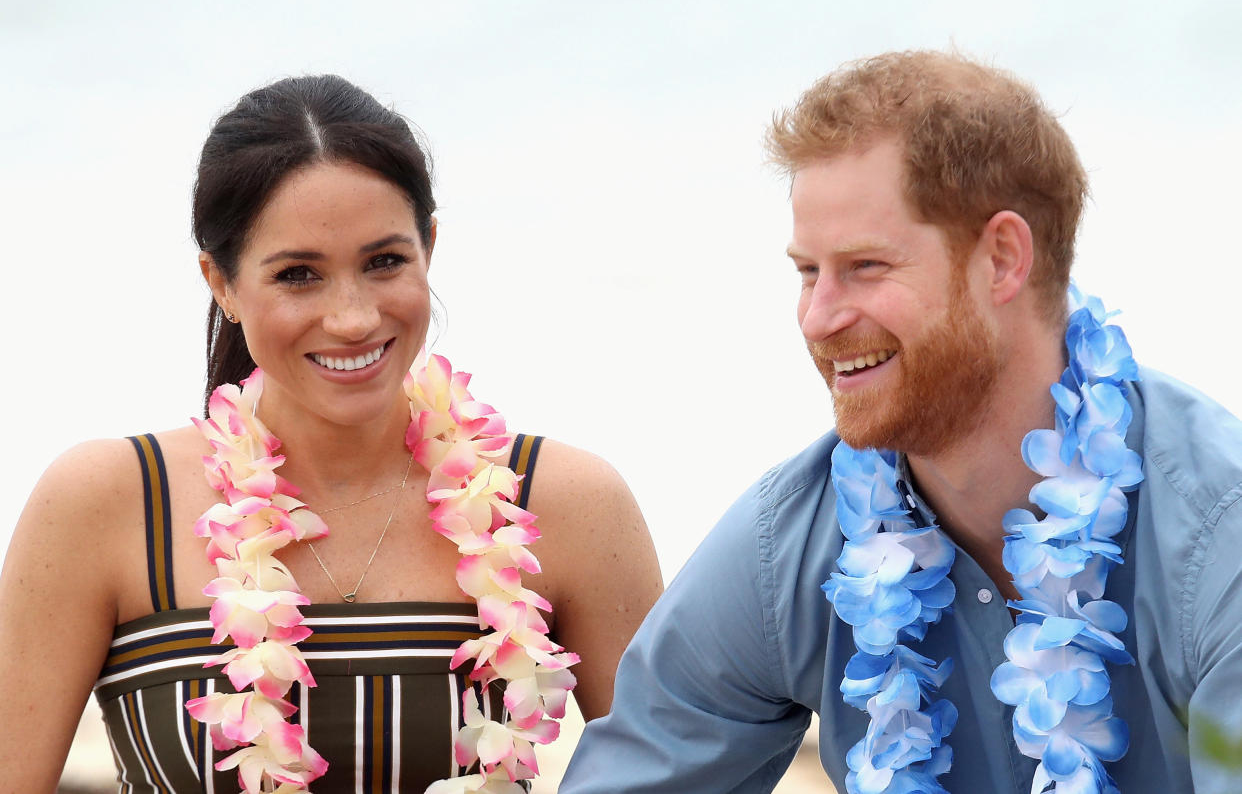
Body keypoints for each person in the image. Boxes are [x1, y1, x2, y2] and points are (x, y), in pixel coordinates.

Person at [560, 51, 1242, 794]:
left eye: (865, 267)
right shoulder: (786, 544)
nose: (818, 319)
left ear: (1003, 259)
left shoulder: (1216, 531)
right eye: (806, 272)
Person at [0, 74, 663, 793]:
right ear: (219, 282)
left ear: (429, 247)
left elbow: (675, 779)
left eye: (384, 262)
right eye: (297, 275)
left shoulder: (566, 504)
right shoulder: (106, 503)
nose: (351, 318)